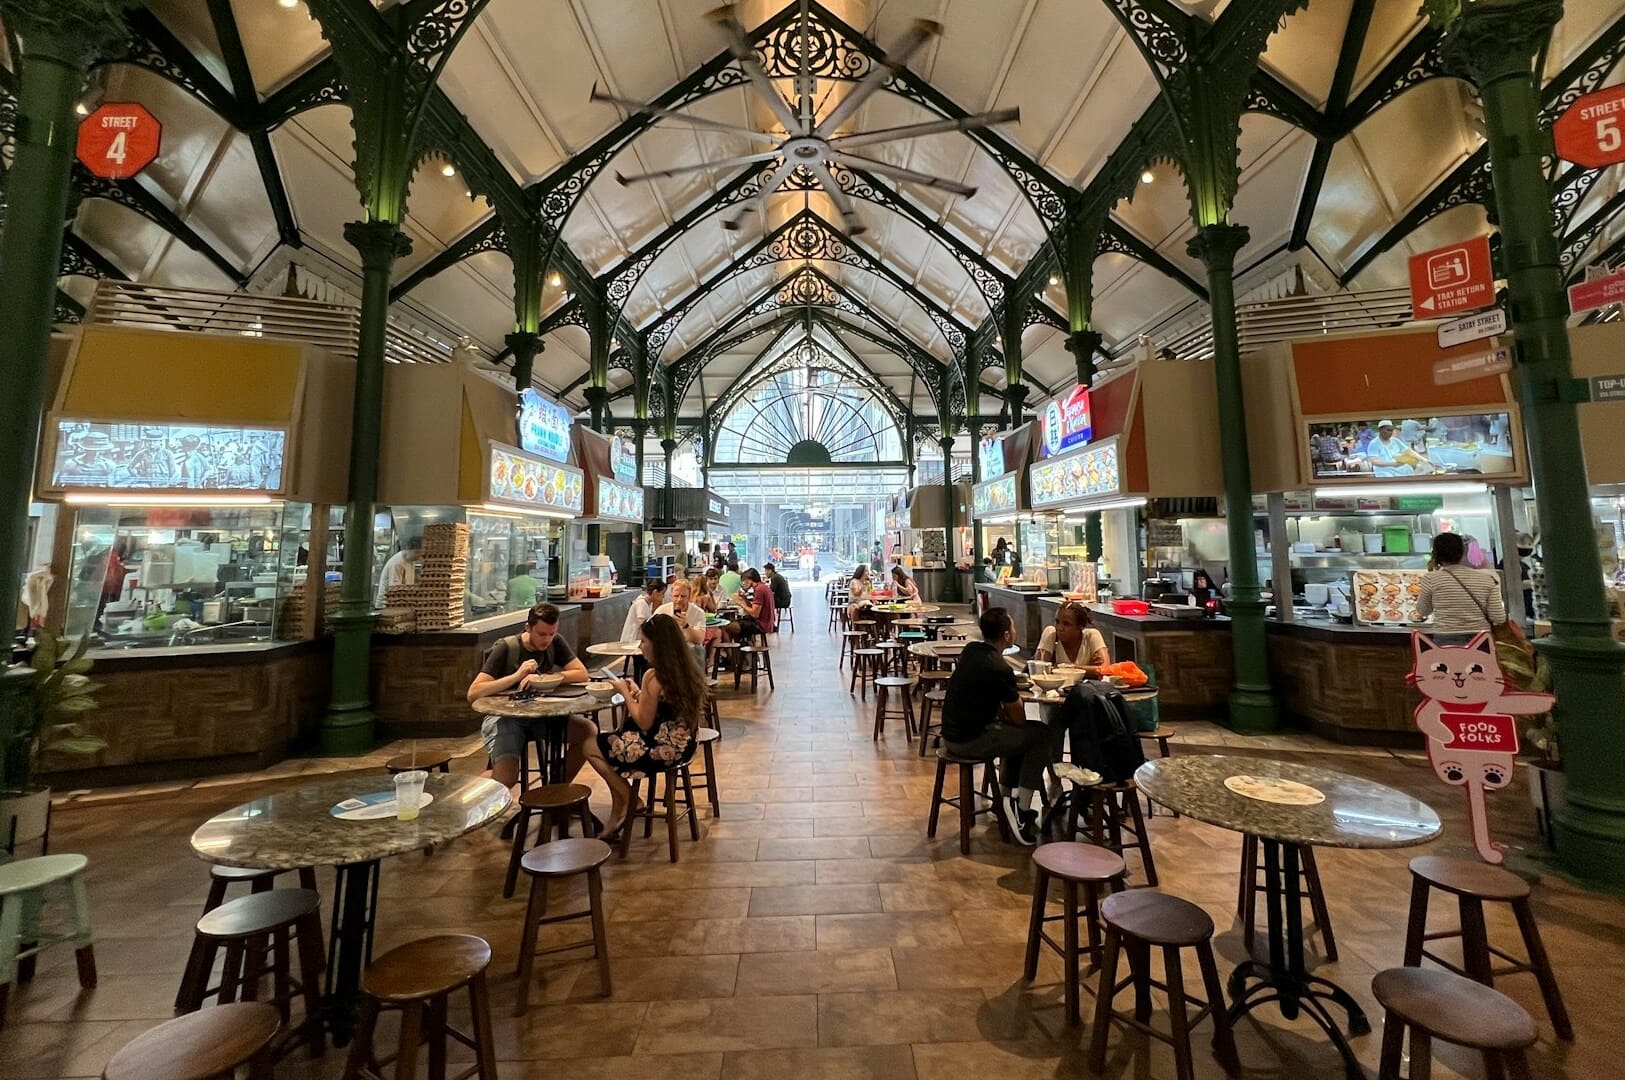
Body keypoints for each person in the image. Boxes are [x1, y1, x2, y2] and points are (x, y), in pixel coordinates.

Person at [568, 613, 707, 839]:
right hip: (684, 746)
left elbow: (644, 722)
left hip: (659, 750)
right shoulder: (685, 669)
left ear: (658, 644)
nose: (640, 646)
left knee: (591, 745)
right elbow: (665, 709)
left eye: (644, 641)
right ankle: (618, 813)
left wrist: (624, 692)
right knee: (610, 744)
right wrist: (639, 694)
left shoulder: (653, 676)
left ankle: (631, 799)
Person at [941, 607, 1051, 845]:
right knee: (1041, 735)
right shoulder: (999, 667)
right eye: (1013, 627)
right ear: (1006, 635)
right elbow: (1019, 718)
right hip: (970, 740)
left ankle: (1004, 800)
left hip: (950, 734)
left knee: (1017, 735)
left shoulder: (971, 651)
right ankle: (1022, 811)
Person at [466, 603, 589, 789]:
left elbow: (581, 673)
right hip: (505, 718)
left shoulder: (555, 642)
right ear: (528, 628)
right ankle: (470, 797)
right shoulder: (506, 648)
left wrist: (546, 678)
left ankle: (554, 791)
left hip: (540, 715)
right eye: (541, 634)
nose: (547, 639)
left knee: (588, 733)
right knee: (506, 778)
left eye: (552, 633)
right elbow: (473, 693)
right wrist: (517, 676)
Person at [1418, 532, 1506, 640]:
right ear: (1463, 552)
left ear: (1436, 554)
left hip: (1445, 639)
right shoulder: (1487, 579)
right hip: (1480, 640)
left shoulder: (1431, 579)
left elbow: (1423, 611)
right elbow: (1498, 618)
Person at [1036, 601, 1109, 669]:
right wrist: (1088, 667)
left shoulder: (1091, 635)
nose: (1059, 628)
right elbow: (1040, 668)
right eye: (1057, 622)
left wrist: (1060, 667)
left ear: (1080, 626)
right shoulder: (1051, 633)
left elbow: (1105, 668)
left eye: (1066, 624)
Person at [657, 577, 708, 669]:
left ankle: (696, 678)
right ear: (671, 596)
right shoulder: (662, 610)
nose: (679, 599)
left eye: (683, 596)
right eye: (676, 596)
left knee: (698, 650)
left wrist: (686, 626)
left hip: (689, 647)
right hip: (667, 647)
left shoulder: (698, 612)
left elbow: (699, 639)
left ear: (689, 597)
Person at [375, 535, 422, 608]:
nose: (419, 555)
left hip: (401, 604)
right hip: (386, 606)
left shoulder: (411, 560)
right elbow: (395, 591)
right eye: (417, 552)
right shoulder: (397, 563)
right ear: (407, 549)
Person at [731, 567, 776, 641]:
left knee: (729, 626)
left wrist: (740, 603)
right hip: (767, 623)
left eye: (744, 581)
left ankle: (737, 647)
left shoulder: (759, 590)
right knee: (736, 624)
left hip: (761, 625)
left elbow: (755, 614)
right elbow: (753, 608)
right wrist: (744, 598)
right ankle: (742, 644)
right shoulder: (762, 587)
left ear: (749, 580)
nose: (743, 583)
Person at [621, 579, 666, 643]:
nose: (663, 597)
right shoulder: (642, 603)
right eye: (662, 593)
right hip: (632, 640)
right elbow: (643, 624)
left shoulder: (648, 604)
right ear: (655, 592)